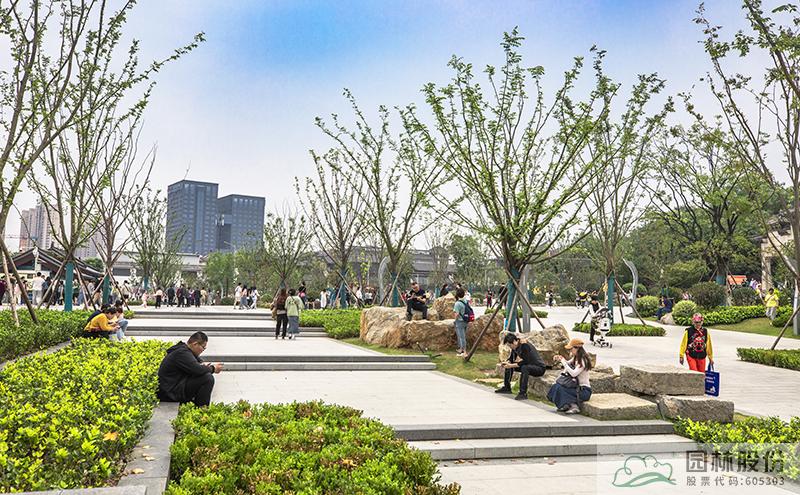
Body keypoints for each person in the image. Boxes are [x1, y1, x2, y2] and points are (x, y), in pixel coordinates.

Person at [156, 331, 223, 407]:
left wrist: (203, 365)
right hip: (170, 393)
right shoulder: (182, 353)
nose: (202, 350)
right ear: (195, 344)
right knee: (207, 378)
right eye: (203, 348)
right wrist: (213, 368)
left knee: (204, 375)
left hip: (174, 388)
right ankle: (202, 409)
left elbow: (196, 364)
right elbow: (198, 370)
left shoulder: (183, 349)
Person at [495, 333, 547, 400]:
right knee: (509, 366)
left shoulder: (524, 345)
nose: (510, 347)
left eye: (510, 345)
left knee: (524, 368)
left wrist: (511, 365)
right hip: (529, 366)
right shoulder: (515, 347)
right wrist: (507, 362)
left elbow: (525, 361)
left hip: (539, 368)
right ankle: (507, 388)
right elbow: (511, 359)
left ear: (514, 341)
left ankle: (523, 393)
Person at [547, 338, 593, 414]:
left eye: (571, 349)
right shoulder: (576, 357)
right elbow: (567, 363)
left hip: (584, 391)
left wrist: (563, 362)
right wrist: (560, 359)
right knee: (556, 386)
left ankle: (574, 406)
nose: (570, 351)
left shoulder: (583, 360)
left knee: (561, 389)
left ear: (577, 348)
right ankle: (566, 405)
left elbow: (574, 373)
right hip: (576, 388)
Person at [452, 288, 470, 356]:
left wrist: (455, 320)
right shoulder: (465, 301)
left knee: (461, 337)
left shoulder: (457, 303)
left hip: (460, 321)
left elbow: (456, 314)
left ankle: (464, 351)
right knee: (462, 336)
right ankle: (461, 349)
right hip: (466, 320)